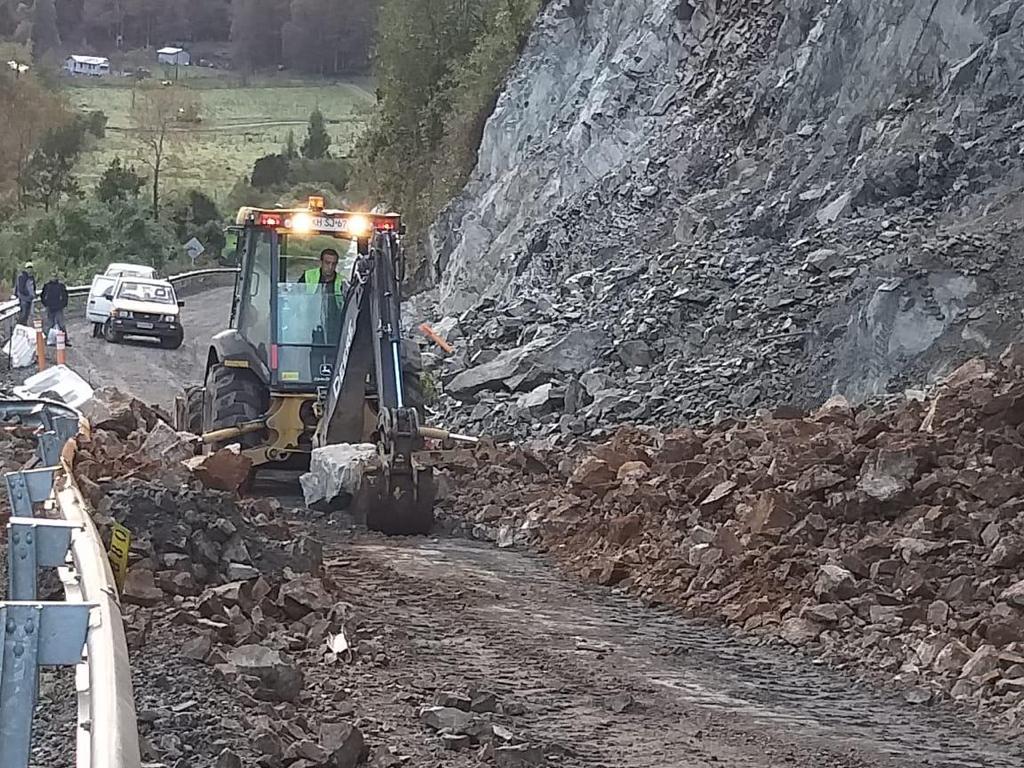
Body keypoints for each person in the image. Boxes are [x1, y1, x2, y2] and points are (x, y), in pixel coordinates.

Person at [41, 271, 71, 346]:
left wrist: (63, 305)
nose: (53, 278)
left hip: (59, 308)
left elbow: (65, 296)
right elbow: (42, 296)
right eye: (52, 276)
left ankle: (65, 340)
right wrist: (46, 304)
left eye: (55, 276)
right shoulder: (47, 286)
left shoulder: (61, 286)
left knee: (61, 325)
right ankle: (45, 340)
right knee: (49, 325)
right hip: (50, 308)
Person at [15, 261, 35, 326]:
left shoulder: (32, 277)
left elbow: (34, 286)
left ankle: (24, 326)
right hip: (23, 298)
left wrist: (33, 294)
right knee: (23, 314)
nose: (30, 269)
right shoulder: (21, 277)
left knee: (27, 315)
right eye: (28, 268)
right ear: (25, 269)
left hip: (30, 299)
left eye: (31, 268)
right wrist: (27, 294)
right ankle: (20, 326)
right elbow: (20, 288)